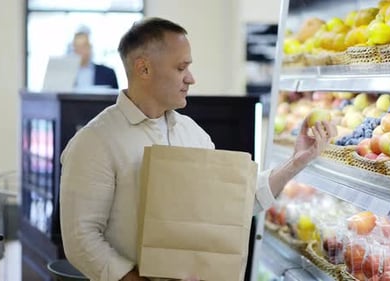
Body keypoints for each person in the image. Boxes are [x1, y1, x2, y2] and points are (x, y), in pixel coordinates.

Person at [59, 17, 336, 281]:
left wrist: (297, 161)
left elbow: (234, 206)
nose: (191, 78)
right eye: (181, 68)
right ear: (143, 69)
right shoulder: (94, 141)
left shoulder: (193, 134)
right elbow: (81, 238)